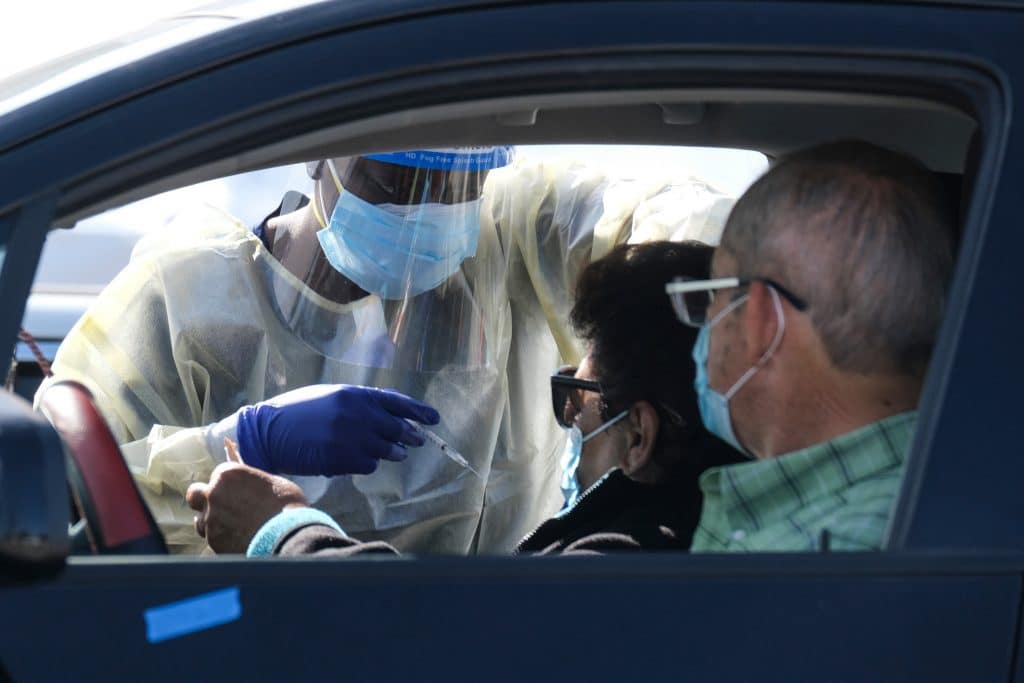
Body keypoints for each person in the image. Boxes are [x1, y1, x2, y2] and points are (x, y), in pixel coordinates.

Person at [37, 147, 736, 554]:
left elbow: (683, 229)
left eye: (459, 182)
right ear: (321, 150)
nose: (428, 206)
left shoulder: (511, 238)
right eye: (394, 180)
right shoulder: (190, 294)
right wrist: (230, 441)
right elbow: (62, 500)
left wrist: (712, 302)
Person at [186, 241, 742, 556]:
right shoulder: (721, 526)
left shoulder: (621, 561)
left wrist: (281, 527)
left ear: (640, 435)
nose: (568, 416)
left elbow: (437, 642)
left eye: (577, 395)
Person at [666, 140, 955, 551]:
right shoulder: (953, 498)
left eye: (713, 296)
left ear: (760, 320)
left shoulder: (824, 556)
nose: (706, 324)